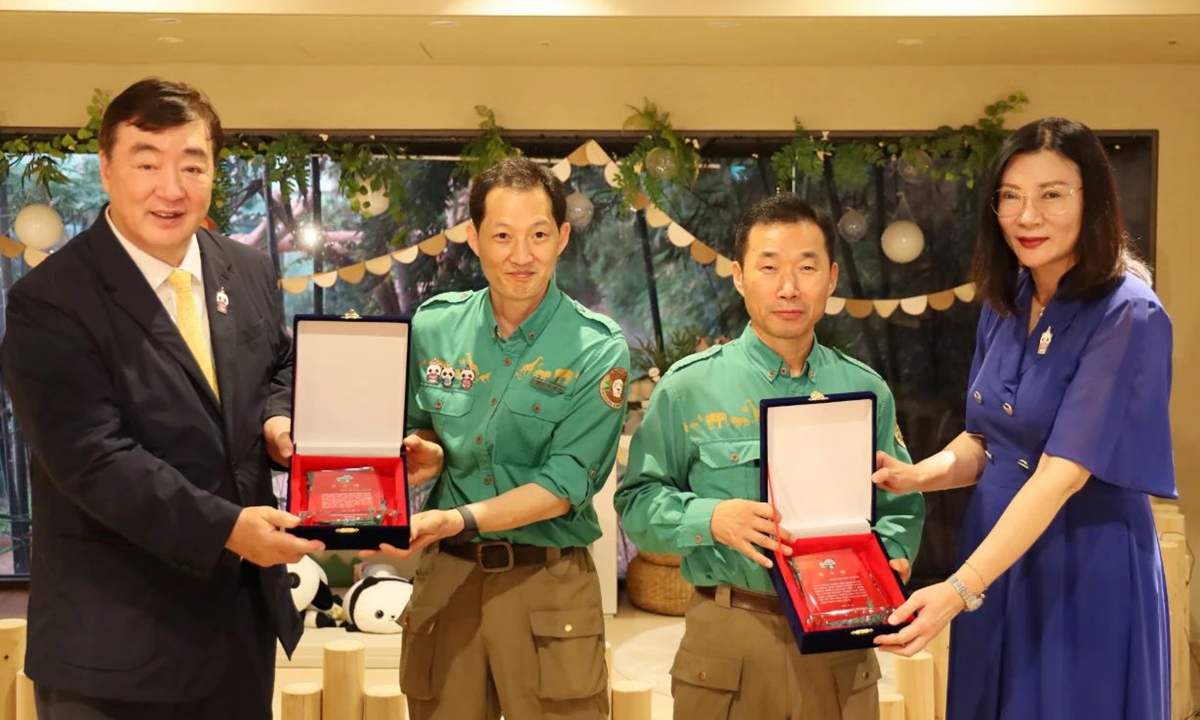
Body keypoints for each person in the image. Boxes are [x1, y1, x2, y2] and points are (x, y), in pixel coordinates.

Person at [0, 78, 324, 720]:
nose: (170, 188)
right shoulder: (51, 300)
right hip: (114, 653)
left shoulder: (248, 270)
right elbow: (92, 459)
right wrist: (230, 529)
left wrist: (277, 418)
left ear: (213, 172)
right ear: (107, 169)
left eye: (192, 165)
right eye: (147, 163)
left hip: (237, 635)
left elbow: (279, 364)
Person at [871, 117, 1173, 720]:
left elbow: (1062, 473)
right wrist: (916, 475)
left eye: (1052, 194)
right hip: (998, 550)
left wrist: (958, 588)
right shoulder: (1007, 298)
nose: (1027, 216)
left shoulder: (1127, 313)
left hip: (1082, 560)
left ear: (1094, 200)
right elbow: (989, 438)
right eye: (1010, 196)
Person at [615, 193, 926, 720]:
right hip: (730, 637)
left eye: (806, 268)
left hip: (839, 639)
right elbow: (638, 503)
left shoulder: (862, 388)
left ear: (830, 278)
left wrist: (888, 561)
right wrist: (712, 517)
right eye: (769, 266)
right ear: (738, 275)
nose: (788, 287)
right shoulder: (688, 387)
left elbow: (900, 506)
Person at [367, 157, 629, 720]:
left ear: (562, 237)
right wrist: (424, 453)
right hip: (448, 582)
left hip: (547, 583)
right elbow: (423, 427)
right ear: (473, 238)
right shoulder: (436, 326)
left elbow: (564, 485)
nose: (521, 255)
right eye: (503, 236)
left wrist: (455, 518)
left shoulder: (596, 348)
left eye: (538, 235)